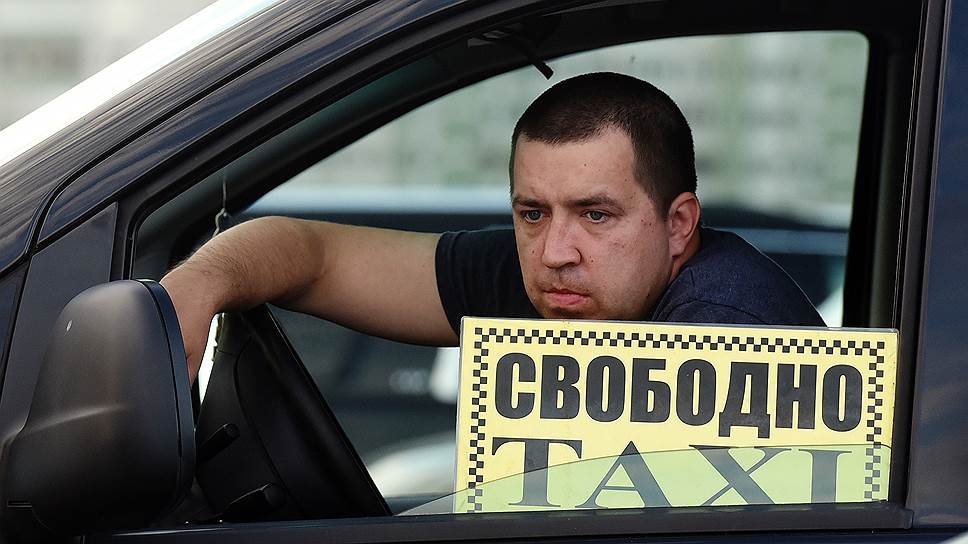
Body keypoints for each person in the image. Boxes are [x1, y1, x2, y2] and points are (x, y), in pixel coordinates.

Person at [161, 72, 823, 382]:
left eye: (596, 215)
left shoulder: (730, 335)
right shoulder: (568, 285)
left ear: (678, 226)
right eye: (532, 212)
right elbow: (314, 256)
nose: (555, 251)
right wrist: (195, 289)